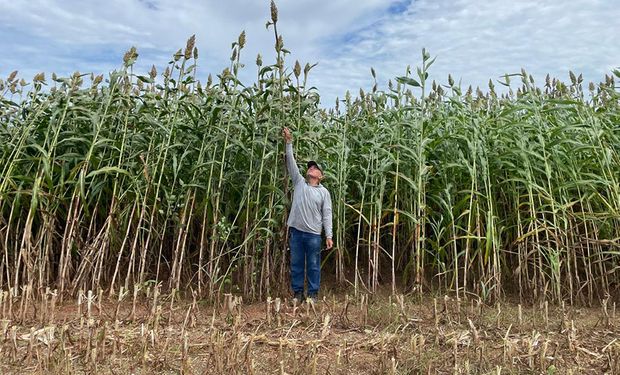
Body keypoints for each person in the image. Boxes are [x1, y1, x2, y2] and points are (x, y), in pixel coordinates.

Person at [282, 127, 333, 303]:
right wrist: (289, 142)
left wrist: (329, 235)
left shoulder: (323, 193)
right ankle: (297, 294)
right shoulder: (299, 183)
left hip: (313, 235)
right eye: (310, 166)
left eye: (315, 167)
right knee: (296, 264)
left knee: (312, 265)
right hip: (296, 232)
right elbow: (290, 162)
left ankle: (312, 294)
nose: (311, 168)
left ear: (320, 176)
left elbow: (327, 214)